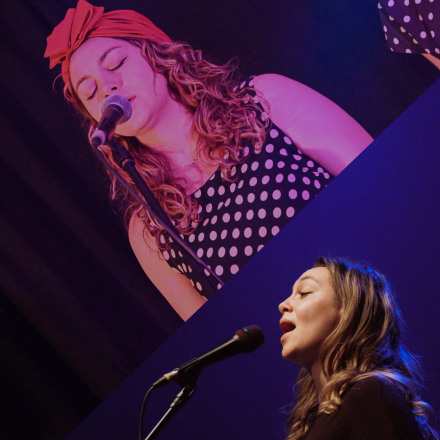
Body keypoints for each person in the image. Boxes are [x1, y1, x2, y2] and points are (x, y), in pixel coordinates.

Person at [45, 0, 373, 321]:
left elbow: (380, 177)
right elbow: (218, 334)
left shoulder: (263, 101)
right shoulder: (149, 226)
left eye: (116, 63)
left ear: (155, 53)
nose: (107, 88)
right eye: (90, 92)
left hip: (375, 287)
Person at [278, 256, 439, 440]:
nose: (283, 305)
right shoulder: (321, 419)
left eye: (304, 292)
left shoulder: (371, 396)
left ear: (349, 311)